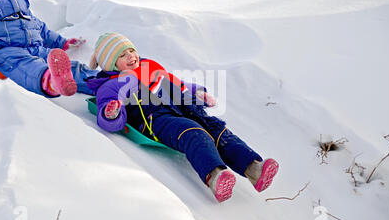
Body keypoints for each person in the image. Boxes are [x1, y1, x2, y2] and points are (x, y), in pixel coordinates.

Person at [86, 32, 279, 203]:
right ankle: (215, 177)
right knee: (194, 134)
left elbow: (176, 82)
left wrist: (197, 94)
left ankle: (254, 169)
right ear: (111, 64)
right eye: (121, 55)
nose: (130, 56)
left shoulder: (148, 66)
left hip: (186, 108)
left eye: (130, 50)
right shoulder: (112, 84)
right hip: (158, 119)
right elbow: (107, 115)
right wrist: (111, 113)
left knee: (219, 131)